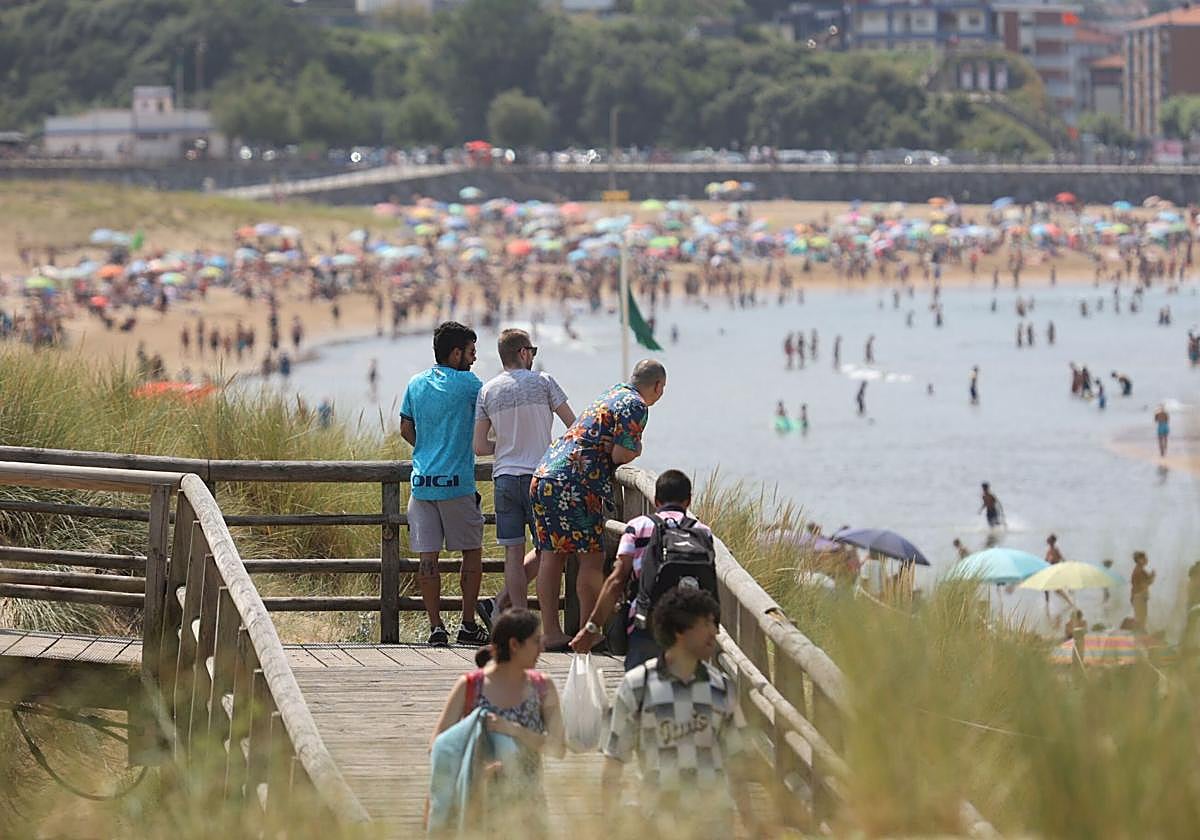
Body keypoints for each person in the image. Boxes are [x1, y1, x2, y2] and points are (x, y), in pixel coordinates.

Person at [601, 587, 760, 839]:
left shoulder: (721, 688)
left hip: (714, 823)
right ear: (679, 630)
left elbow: (736, 762)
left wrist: (750, 822)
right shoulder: (637, 685)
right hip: (656, 822)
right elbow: (614, 759)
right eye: (706, 623)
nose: (714, 632)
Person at [531, 359, 666, 650]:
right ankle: (587, 632)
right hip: (577, 482)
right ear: (657, 386)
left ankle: (551, 633)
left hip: (545, 474)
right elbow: (621, 455)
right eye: (662, 389)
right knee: (590, 558)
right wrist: (636, 448)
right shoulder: (636, 405)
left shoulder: (612, 393)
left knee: (551, 555)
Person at [430, 609, 564, 835]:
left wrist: (514, 730)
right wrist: (478, 766)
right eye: (535, 641)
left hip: (529, 807)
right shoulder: (470, 685)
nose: (542, 647)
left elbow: (559, 748)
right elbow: (438, 745)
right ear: (514, 645)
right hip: (477, 803)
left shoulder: (543, 687)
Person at [474, 329, 575, 619]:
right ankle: (546, 621)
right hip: (540, 478)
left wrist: (507, 443)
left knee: (513, 554)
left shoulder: (488, 390)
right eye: (532, 350)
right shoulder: (543, 382)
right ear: (523, 353)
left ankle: (514, 613)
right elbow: (575, 428)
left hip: (504, 477)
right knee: (549, 549)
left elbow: (480, 447)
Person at [570, 469, 713, 670]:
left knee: (641, 689)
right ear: (688, 501)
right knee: (685, 691)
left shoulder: (638, 527)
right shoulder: (702, 532)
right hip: (690, 626)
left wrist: (591, 627)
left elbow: (617, 579)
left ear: (656, 500)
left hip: (646, 622)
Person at [400, 321, 488, 647]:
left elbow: (405, 428)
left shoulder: (415, 383)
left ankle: (436, 628)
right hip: (457, 483)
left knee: (428, 557)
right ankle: (467, 624)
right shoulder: (469, 385)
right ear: (455, 354)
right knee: (471, 551)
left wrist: (427, 449)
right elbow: (492, 419)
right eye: (471, 352)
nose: (474, 359)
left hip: (422, 482)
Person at [1131, 550, 1155, 630]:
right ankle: (1139, 639)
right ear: (1139, 560)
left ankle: (1139, 638)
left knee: (1140, 619)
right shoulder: (1139, 571)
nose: (1146, 560)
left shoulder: (1140, 570)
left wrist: (1151, 577)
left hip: (1139, 597)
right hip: (1140, 597)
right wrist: (1152, 577)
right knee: (1141, 620)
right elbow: (1143, 585)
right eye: (1144, 558)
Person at [1044, 534, 1064, 606]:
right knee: (1046, 587)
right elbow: (1046, 561)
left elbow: (1061, 558)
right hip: (1050, 570)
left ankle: (1067, 601)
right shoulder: (1049, 550)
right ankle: (1047, 603)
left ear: (1053, 542)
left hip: (1055, 571)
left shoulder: (1055, 550)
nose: (1048, 541)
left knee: (1056, 589)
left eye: (1049, 540)